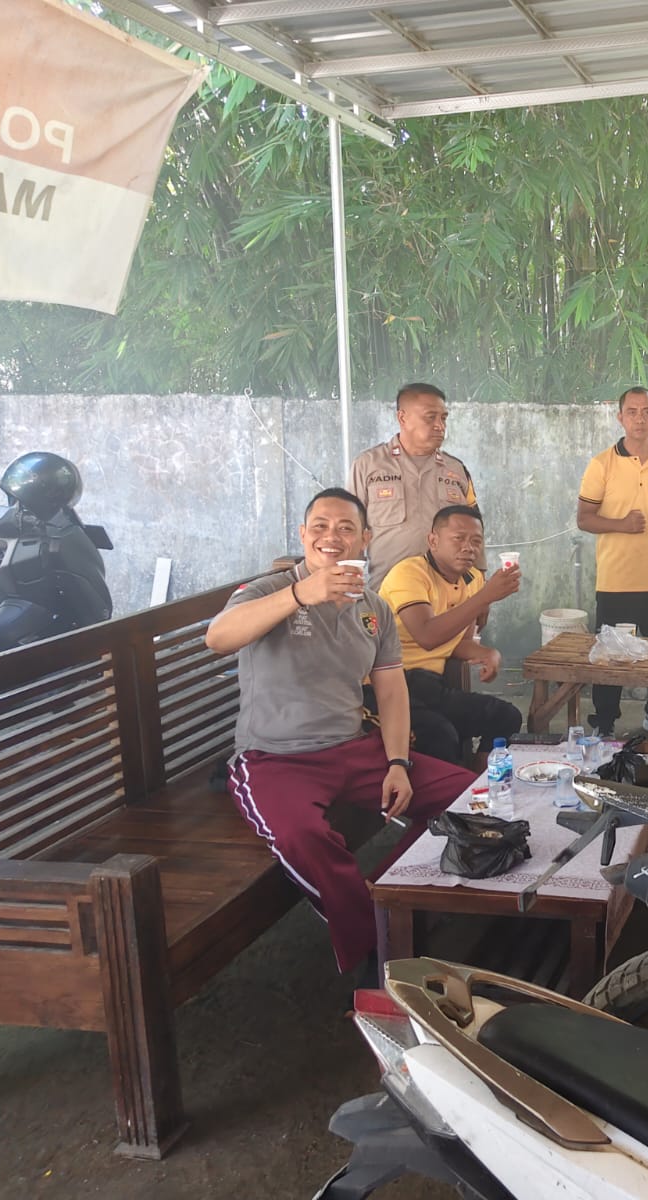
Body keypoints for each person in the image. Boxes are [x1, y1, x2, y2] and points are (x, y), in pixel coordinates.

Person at [205, 487, 475, 977]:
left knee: (471, 797)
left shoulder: (374, 608)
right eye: (321, 527)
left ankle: (386, 894)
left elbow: (392, 691)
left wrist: (398, 763)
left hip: (355, 748)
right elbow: (218, 638)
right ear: (304, 535)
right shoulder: (268, 590)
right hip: (273, 758)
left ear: (365, 539)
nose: (332, 537)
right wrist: (300, 594)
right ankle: (375, 948)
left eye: (346, 528)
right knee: (303, 838)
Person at [576, 386, 648, 738]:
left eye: (647, 412)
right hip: (617, 581)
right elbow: (584, 519)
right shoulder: (602, 464)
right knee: (611, 656)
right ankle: (604, 721)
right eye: (632, 411)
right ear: (620, 417)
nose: (640, 418)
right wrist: (621, 525)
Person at [378, 504, 523, 770]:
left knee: (506, 717)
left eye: (476, 541)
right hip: (392, 684)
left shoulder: (473, 580)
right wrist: (485, 597)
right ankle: (449, 792)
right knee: (441, 735)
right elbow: (427, 636)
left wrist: (489, 654)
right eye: (458, 538)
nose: (468, 548)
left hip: (430, 685)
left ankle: (480, 782)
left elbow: (459, 643)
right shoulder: (409, 573)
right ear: (433, 541)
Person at [349, 383, 478, 586]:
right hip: (387, 592)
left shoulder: (456, 469)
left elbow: (474, 528)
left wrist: (480, 583)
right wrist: (348, 583)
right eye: (430, 417)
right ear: (402, 418)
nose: (440, 426)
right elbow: (351, 529)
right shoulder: (368, 465)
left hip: (447, 593)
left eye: (443, 418)